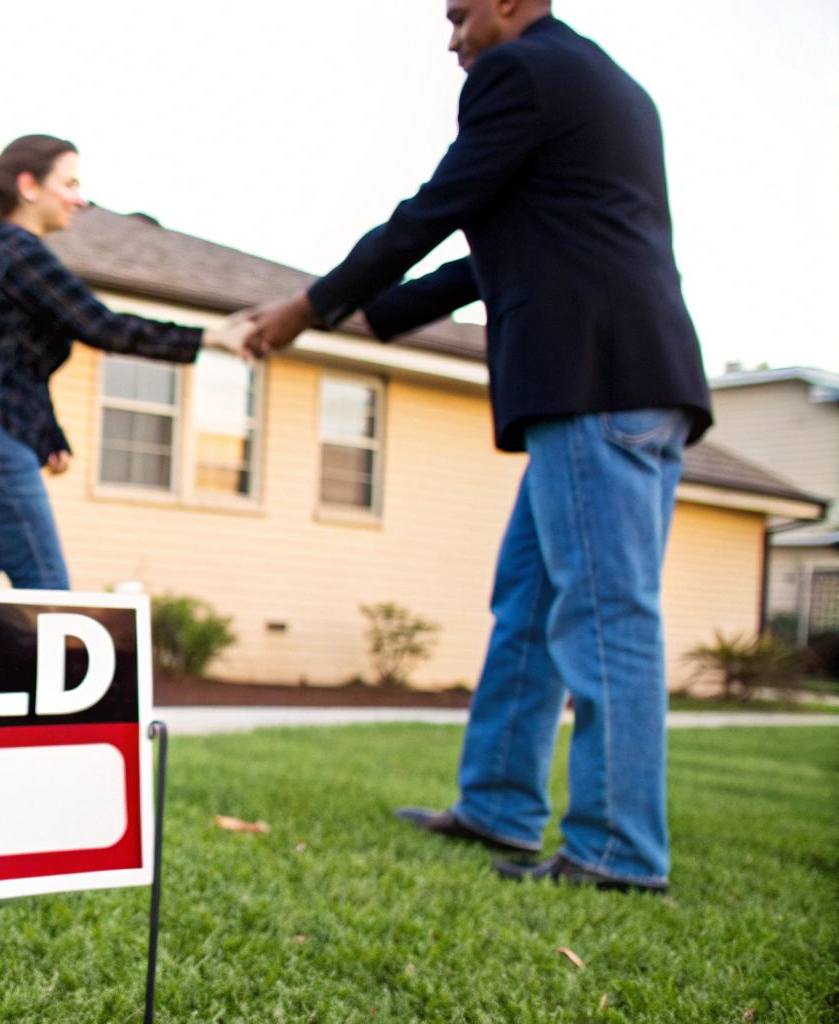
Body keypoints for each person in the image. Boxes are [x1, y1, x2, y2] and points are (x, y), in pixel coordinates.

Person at [235, 0, 712, 892]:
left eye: (459, 17)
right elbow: (492, 253)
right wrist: (374, 316)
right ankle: (497, 802)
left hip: (595, 379)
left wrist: (309, 308)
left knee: (605, 616)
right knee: (528, 602)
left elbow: (436, 210)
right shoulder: (606, 83)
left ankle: (618, 851)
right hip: (620, 378)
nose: (452, 40)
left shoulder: (521, 71)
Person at [0, 134, 245, 590]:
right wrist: (212, 337)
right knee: (47, 591)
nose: (80, 199)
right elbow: (102, 326)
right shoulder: (18, 250)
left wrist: (46, 433)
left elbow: (12, 368)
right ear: (29, 186)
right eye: (70, 184)